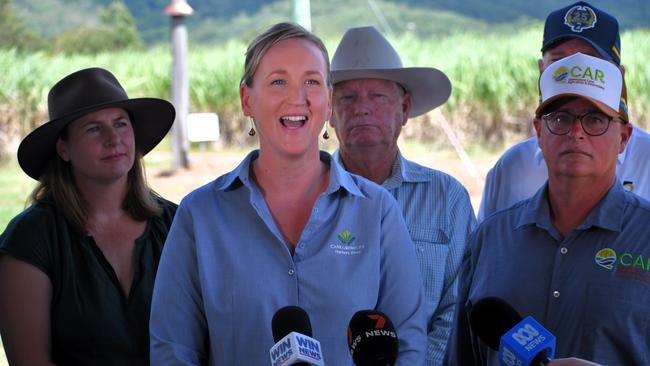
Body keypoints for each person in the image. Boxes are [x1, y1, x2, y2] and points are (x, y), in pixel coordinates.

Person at [149, 22, 426, 365]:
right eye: (278, 81)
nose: (297, 97)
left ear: (328, 102)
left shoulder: (377, 210)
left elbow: (408, 344)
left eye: (311, 81)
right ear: (247, 99)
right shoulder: (200, 214)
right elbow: (173, 349)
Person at [447, 52, 650, 365]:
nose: (576, 132)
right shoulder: (490, 238)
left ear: (623, 137)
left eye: (595, 119)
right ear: (539, 132)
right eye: (560, 118)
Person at [0, 67, 177, 365]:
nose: (113, 138)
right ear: (63, 149)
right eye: (93, 128)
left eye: (121, 124)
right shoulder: (31, 239)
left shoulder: (176, 224)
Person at [328, 26, 476, 365]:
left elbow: (458, 303)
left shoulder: (447, 198)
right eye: (347, 97)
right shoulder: (308, 198)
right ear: (329, 113)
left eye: (378, 96)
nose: (362, 109)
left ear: (405, 109)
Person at [478, 1, 650, 222]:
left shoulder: (646, 159)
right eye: (559, 61)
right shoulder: (513, 166)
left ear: (619, 75)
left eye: (591, 60)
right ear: (541, 69)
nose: (574, 70)